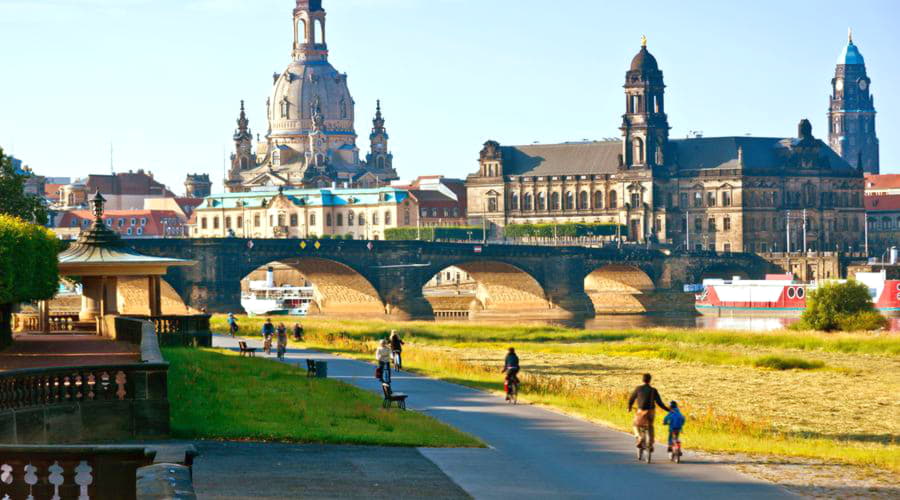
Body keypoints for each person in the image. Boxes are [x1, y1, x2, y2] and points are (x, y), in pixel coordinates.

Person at [627, 373, 671, 453]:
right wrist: (668, 410)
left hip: (641, 411)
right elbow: (659, 403)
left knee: (635, 424)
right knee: (650, 426)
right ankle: (650, 444)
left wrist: (629, 407)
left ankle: (639, 437)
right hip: (651, 412)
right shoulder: (653, 390)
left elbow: (631, 398)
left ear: (642, 380)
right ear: (650, 380)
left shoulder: (638, 389)